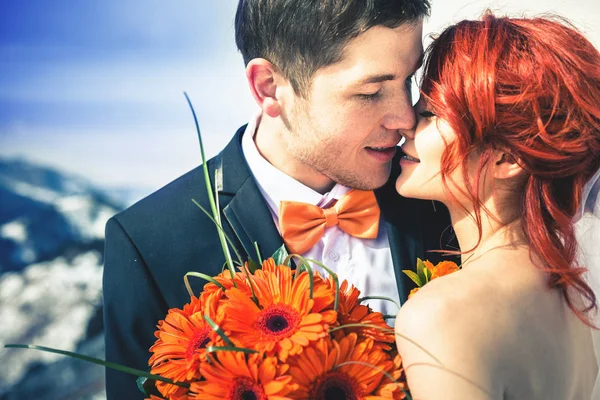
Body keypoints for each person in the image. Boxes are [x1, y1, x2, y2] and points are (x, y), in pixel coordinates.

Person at [102, 1, 456, 398]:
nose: (405, 118)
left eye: (408, 80)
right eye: (371, 92)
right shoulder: (149, 244)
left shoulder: (444, 197)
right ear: (269, 86)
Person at [395, 12, 600, 399]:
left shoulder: (440, 315)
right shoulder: (571, 297)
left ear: (507, 159)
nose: (406, 124)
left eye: (430, 114)